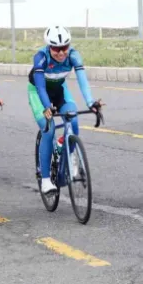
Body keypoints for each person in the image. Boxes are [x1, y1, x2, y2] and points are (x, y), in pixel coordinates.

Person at [27, 25, 102, 194]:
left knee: (73, 120)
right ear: (49, 46)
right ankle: (46, 180)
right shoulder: (41, 57)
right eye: (56, 49)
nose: (61, 53)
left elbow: (82, 80)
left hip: (59, 90)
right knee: (49, 130)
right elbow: (40, 87)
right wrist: (47, 107)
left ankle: (67, 152)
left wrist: (91, 102)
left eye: (64, 47)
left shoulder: (73, 55)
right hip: (39, 93)